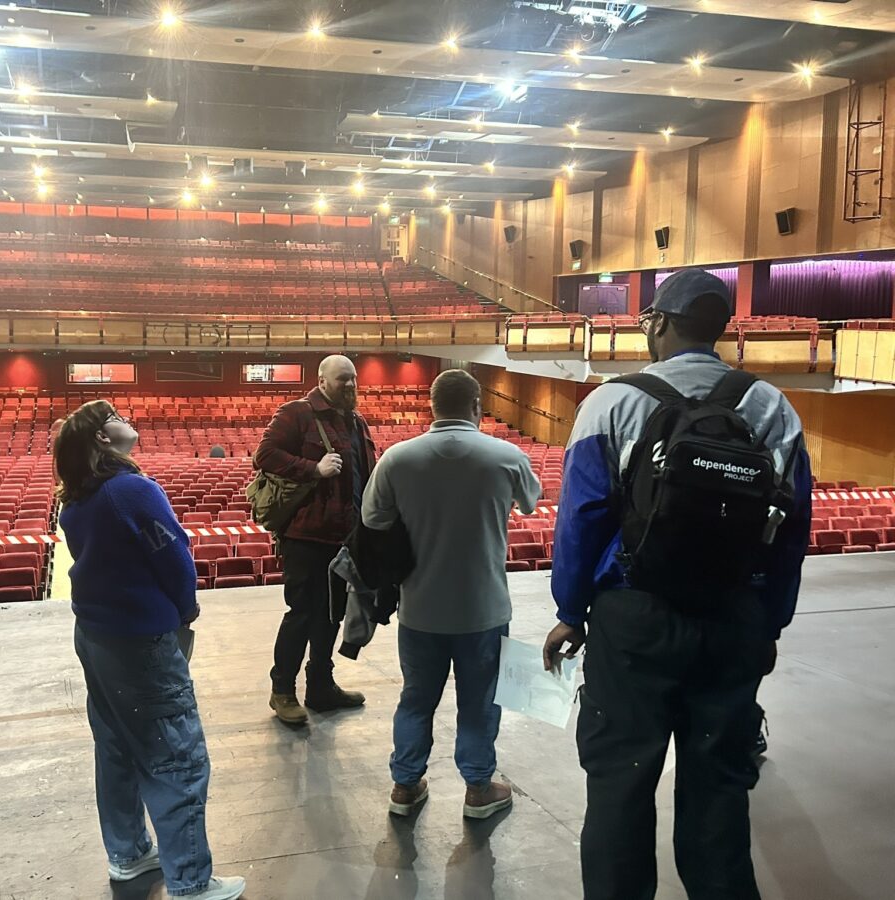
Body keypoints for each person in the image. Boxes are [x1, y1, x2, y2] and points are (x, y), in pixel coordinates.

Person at [543, 269, 812, 900]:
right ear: (719, 330)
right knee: (720, 789)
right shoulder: (773, 406)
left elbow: (580, 520)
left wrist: (571, 612)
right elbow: (792, 530)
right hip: (732, 619)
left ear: (658, 323)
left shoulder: (612, 402)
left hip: (634, 621)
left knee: (619, 785)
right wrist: (768, 623)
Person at [55, 400, 245, 900]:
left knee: (117, 746)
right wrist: (186, 608)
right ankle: (190, 880)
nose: (126, 418)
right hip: (140, 641)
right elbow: (174, 557)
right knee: (176, 757)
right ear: (101, 438)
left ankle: (129, 854)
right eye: (115, 414)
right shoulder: (132, 490)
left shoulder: (77, 496)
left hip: (97, 636)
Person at [362, 369, 541, 819]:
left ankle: (405, 786)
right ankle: (479, 789)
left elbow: (372, 519)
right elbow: (531, 503)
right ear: (478, 405)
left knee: (416, 698)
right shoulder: (506, 455)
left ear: (432, 405)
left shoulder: (398, 459)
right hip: (484, 608)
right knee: (480, 701)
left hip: (420, 608)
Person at [254, 354, 376, 724]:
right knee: (302, 614)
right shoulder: (296, 413)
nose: (350, 386)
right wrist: (314, 468)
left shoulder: (355, 421)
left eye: (353, 379)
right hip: (306, 536)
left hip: (345, 537)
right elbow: (265, 455)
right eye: (342, 380)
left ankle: (321, 688)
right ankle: (282, 691)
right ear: (322, 380)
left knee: (331, 615)